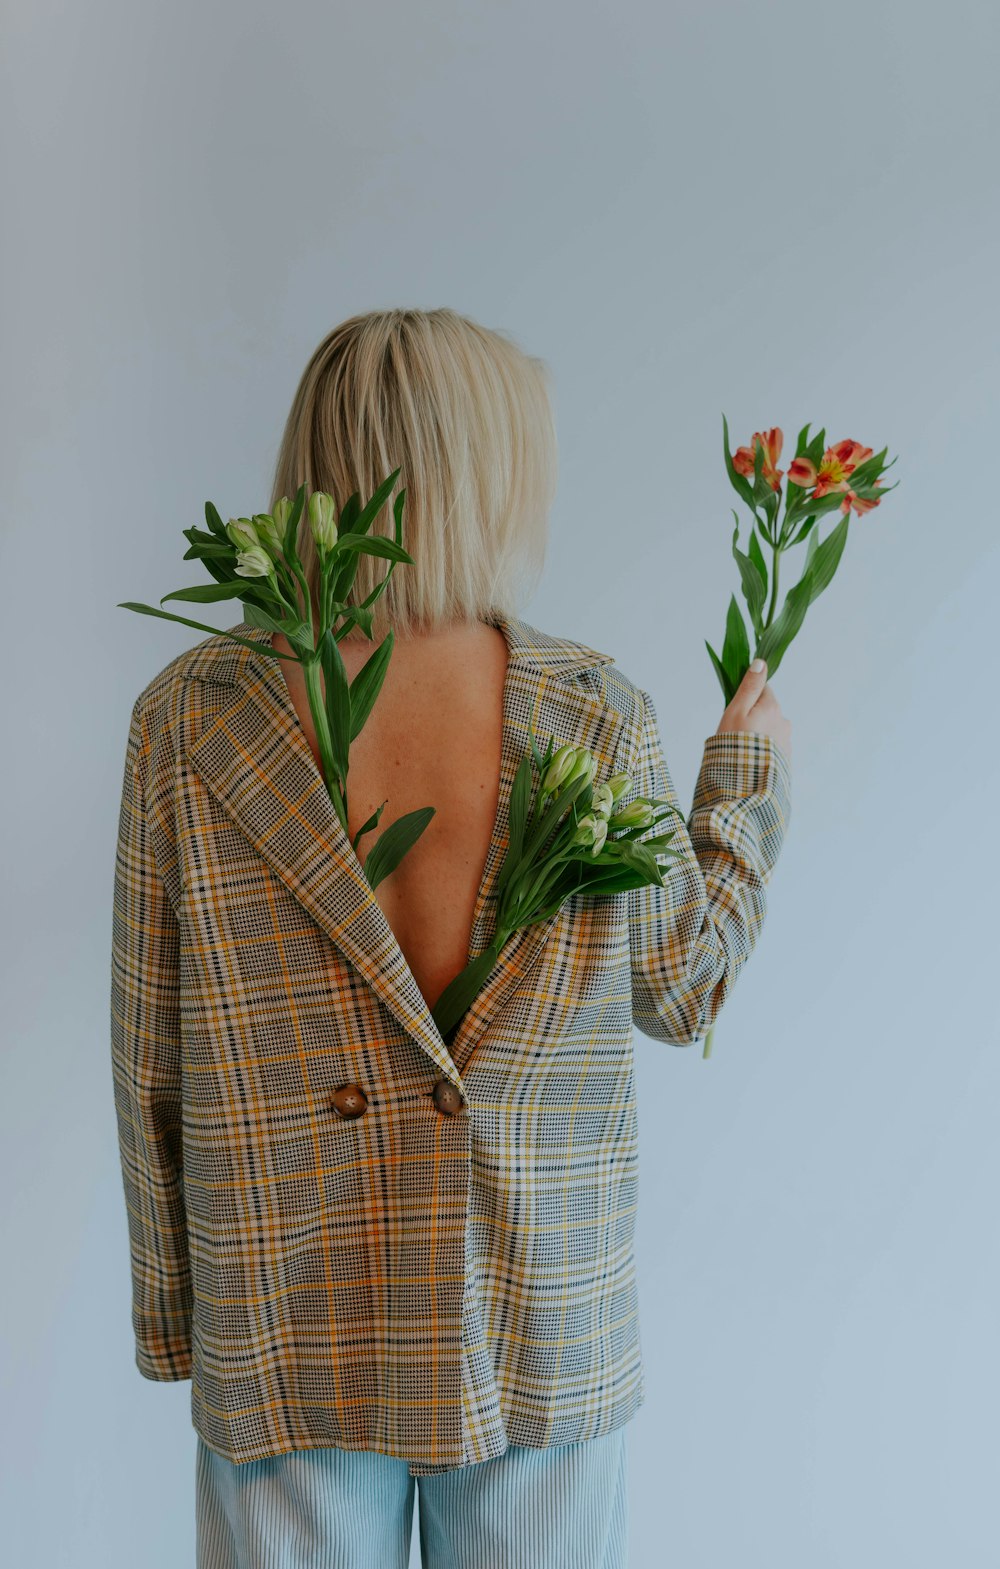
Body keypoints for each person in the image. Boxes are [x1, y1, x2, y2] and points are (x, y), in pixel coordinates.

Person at [110, 308, 792, 1568]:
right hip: (534, 1313)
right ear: (485, 471)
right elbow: (680, 989)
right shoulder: (594, 712)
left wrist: (173, 1319)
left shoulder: (193, 716)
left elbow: (149, 1054)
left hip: (282, 1313)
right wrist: (744, 787)